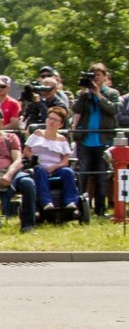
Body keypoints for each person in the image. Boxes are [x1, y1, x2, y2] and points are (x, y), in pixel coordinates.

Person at [71, 63, 119, 218]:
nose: (96, 78)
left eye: (98, 75)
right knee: (83, 175)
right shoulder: (84, 94)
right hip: (85, 140)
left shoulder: (111, 93)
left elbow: (114, 109)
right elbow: (76, 109)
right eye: (93, 75)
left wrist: (99, 95)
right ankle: (81, 208)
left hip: (103, 141)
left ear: (105, 77)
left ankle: (100, 209)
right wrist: (84, 92)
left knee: (101, 177)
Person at [24, 106, 79, 213]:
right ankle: (46, 202)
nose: (52, 122)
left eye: (56, 120)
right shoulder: (37, 133)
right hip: (38, 165)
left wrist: (55, 166)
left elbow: (65, 160)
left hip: (56, 167)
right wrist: (33, 158)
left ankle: (70, 202)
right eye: (50, 118)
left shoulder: (62, 139)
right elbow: (26, 151)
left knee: (68, 172)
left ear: (61, 124)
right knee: (39, 171)